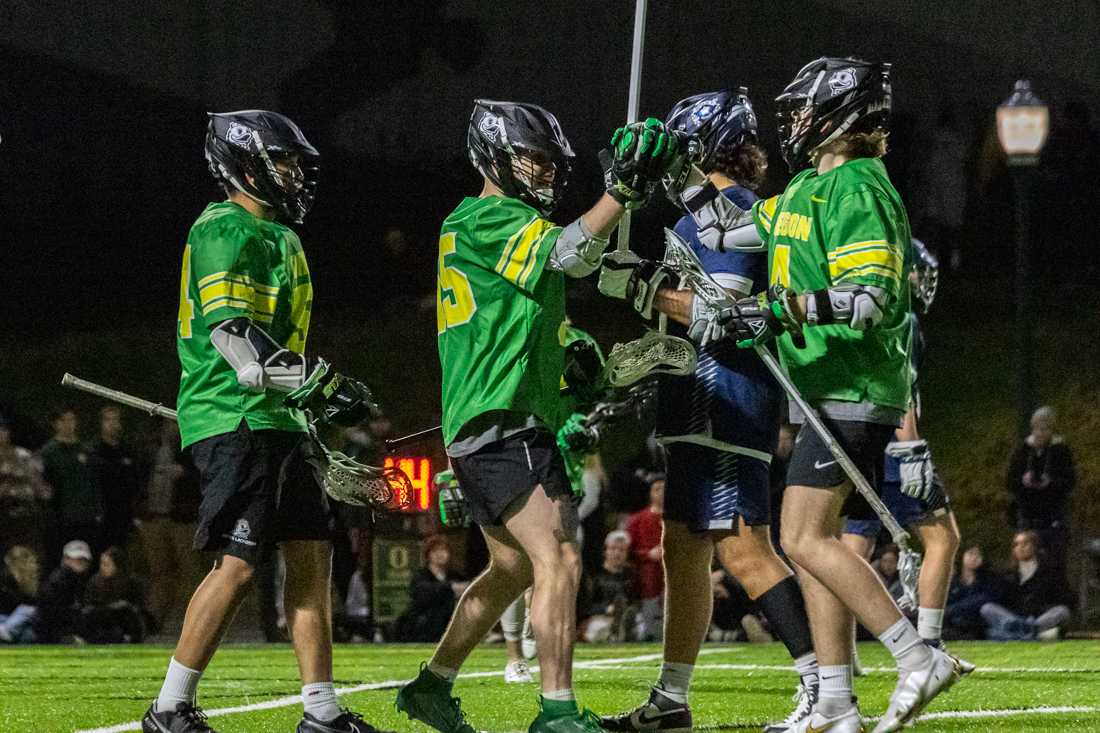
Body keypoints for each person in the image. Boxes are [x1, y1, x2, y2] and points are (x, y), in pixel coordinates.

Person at [648, 59, 969, 732]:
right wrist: (662, 169)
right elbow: (721, 229)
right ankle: (834, 701)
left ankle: (916, 654)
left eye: (800, 109)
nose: (789, 122)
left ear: (839, 115)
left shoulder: (859, 185)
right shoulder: (804, 189)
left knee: (800, 536)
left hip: (854, 385)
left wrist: (777, 309)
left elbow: (871, 299)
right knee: (808, 541)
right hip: (820, 391)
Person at [395, 100, 680, 733]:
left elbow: (549, 290)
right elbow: (574, 255)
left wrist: (581, 365)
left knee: (513, 567)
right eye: (533, 158)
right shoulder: (490, 215)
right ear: (496, 155)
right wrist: (621, 190)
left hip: (503, 415)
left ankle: (431, 687)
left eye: (550, 161)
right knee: (560, 561)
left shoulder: (494, 223)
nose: (545, 171)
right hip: (501, 417)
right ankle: (555, 711)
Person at [143, 110, 386, 733]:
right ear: (244, 165)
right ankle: (169, 707)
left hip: (281, 419)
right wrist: (323, 383)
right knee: (241, 562)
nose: (295, 173)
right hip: (237, 417)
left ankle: (321, 711)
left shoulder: (283, 237)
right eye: (284, 161)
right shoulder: (224, 229)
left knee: (311, 559)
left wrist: (315, 398)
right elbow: (240, 347)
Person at [598, 89, 820, 733]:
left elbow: (718, 313)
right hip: (693, 398)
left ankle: (821, 683)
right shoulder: (700, 218)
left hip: (724, 396)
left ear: (696, 146)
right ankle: (671, 698)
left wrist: (641, 286)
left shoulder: (733, 211)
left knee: (743, 547)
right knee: (684, 547)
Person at [841, 239, 971, 673]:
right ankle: (929, 643)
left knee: (847, 554)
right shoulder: (905, 318)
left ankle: (838, 652)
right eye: (918, 272)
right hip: (894, 444)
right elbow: (901, 390)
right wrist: (910, 445)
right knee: (942, 538)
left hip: (858, 440)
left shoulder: (869, 313)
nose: (922, 281)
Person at [140, 419, 203, 630]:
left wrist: (185, 473)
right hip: (155, 517)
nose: (171, 428)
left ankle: (193, 623)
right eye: (168, 424)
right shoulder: (150, 451)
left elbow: (206, 475)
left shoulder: (191, 447)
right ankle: (154, 621)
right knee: (159, 572)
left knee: (189, 571)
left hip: (181, 519)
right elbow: (138, 481)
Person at [1006, 406, 1075, 573]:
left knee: (1052, 560)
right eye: (1036, 428)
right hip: (1027, 513)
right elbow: (1009, 481)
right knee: (1024, 560)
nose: (1039, 433)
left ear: (1051, 429)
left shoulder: (1061, 451)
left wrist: (1050, 482)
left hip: (1052, 514)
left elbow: (1070, 482)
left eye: (1044, 429)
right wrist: (1023, 481)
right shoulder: (1022, 451)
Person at [980, 530, 1072, 641]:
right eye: (1016, 544)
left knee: (1062, 611)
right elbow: (999, 600)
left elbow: (1063, 597)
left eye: (1025, 543)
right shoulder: (1007, 573)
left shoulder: (1049, 571)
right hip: (1014, 617)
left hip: (1039, 617)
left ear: (1034, 546)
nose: (1020, 547)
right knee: (987, 608)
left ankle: (1020, 633)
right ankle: (1031, 634)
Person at [40, 408, 102, 556]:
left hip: (87, 517)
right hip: (62, 518)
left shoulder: (86, 450)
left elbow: (94, 482)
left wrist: (97, 509)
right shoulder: (48, 452)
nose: (68, 424)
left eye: (71, 420)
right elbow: (44, 484)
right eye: (63, 420)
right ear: (56, 424)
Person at [86, 406, 142, 550]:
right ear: (101, 424)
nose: (112, 424)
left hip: (125, 515)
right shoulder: (93, 451)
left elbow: (135, 482)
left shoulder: (127, 450)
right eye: (108, 420)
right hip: (102, 516)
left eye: (115, 420)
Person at [0, 413, 52, 559]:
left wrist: (43, 491)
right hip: (3, 513)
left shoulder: (24, 455)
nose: (2, 434)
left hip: (25, 514)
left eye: (4, 430)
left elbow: (40, 488)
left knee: (29, 555)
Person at [398, 536, 468, 642]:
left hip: (450, 627)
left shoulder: (455, 576)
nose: (440, 554)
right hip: (424, 629)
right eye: (435, 551)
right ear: (428, 555)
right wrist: (451, 588)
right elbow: (422, 594)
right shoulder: (420, 576)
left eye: (443, 550)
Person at [623, 474, 665, 642]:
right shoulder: (637, 520)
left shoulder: (678, 520)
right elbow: (628, 552)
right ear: (650, 493)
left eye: (665, 488)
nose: (662, 492)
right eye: (657, 489)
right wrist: (648, 554)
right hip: (648, 579)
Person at [79, 546, 148, 643]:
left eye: (106, 564)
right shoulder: (95, 581)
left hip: (124, 621)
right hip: (103, 621)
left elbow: (138, 607)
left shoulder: (132, 582)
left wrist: (123, 606)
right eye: (101, 564)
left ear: (117, 565)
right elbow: (89, 604)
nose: (102, 568)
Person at [579, 530, 638, 643]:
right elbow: (584, 607)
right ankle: (617, 633)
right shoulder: (594, 575)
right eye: (613, 549)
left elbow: (635, 602)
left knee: (641, 628)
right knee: (599, 630)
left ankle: (620, 631)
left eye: (621, 550)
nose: (617, 553)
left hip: (624, 618)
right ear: (605, 551)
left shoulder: (631, 576)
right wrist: (607, 609)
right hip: (598, 618)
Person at [32, 539, 92, 643]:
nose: (80, 562)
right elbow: (52, 613)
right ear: (65, 559)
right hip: (53, 633)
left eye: (83, 559)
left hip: (59, 630)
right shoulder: (60, 580)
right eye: (76, 558)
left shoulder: (78, 580)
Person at [944, 545, 1002, 640]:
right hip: (954, 621)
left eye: (978, 555)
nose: (974, 558)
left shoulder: (988, 579)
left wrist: (954, 609)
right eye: (970, 554)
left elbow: (983, 599)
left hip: (977, 622)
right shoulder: (954, 581)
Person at [0, 545, 41, 643]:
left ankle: (7, 631)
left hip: (18, 622)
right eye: (32, 562)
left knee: (29, 633)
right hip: (3, 617)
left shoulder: (31, 584)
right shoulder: (5, 579)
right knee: (27, 610)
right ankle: (7, 630)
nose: (35, 566)